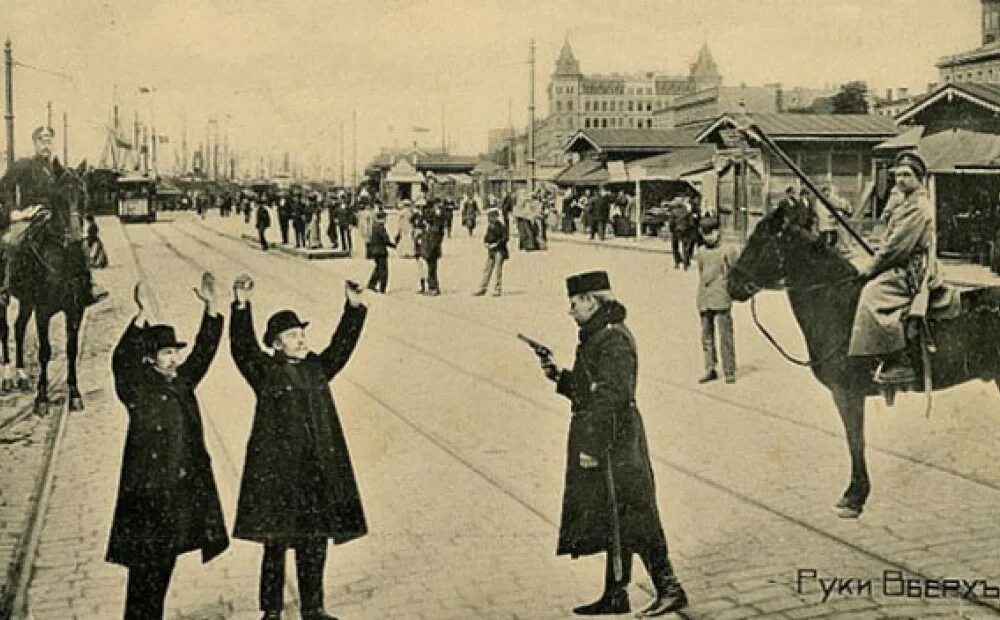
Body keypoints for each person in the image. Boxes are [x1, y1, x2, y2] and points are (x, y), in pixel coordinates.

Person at [537, 270, 688, 617]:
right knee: (614, 514)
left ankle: (670, 588)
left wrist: (592, 446)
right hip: (609, 436)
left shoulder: (612, 340)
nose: (570, 310)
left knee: (636, 511)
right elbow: (590, 388)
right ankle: (616, 594)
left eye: (573, 303)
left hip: (616, 440)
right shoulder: (595, 335)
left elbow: (612, 397)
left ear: (592, 300)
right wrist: (559, 376)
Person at [229, 274, 369, 620]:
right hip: (278, 475)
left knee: (314, 542)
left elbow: (342, 346)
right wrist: (241, 305)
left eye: (302, 334)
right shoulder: (265, 371)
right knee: (275, 544)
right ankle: (272, 611)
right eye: (293, 336)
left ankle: (313, 608)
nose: (301, 339)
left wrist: (352, 308)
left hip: (316, 474)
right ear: (276, 344)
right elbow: (242, 347)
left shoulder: (316, 367)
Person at [108, 274, 229, 620]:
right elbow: (120, 361)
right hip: (146, 497)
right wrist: (141, 316)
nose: (174, 358)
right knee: (145, 571)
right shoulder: (135, 387)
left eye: (176, 352)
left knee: (162, 569)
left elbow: (204, 353)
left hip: (176, 495)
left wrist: (211, 309)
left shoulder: (182, 382)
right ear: (149, 358)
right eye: (167, 353)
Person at [848, 151, 955, 384]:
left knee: (872, 295)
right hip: (901, 260)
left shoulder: (918, 207)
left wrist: (871, 268)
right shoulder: (904, 202)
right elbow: (887, 235)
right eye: (897, 176)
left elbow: (896, 247)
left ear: (919, 178)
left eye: (907, 175)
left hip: (913, 268)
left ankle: (898, 361)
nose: (900, 180)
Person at [0, 125, 108, 306]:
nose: (45, 144)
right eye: (41, 140)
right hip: (31, 215)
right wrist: (15, 212)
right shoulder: (23, 165)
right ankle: (5, 286)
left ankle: (88, 285)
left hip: (56, 216)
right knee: (12, 241)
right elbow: (4, 188)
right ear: (34, 143)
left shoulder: (58, 169)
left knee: (77, 241)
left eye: (49, 140)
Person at [693, 216, 740, 384]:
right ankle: (710, 368)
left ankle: (729, 370)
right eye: (705, 234)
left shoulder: (728, 250)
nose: (708, 237)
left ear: (718, 232)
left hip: (721, 297)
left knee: (725, 335)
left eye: (711, 233)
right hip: (704, 298)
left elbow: (734, 272)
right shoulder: (701, 251)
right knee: (706, 336)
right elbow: (701, 272)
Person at [472, 207, 508, 297]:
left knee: (498, 270)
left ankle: (497, 288)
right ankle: (483, 287)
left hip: (499, 250)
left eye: (491, 216)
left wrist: (496, 244)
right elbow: (486, 236)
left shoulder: (501, 226)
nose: (490, 218)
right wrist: (486, 243)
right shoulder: (490, 226)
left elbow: (505, 238)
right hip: (491, 251)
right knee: (487, 269)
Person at [366, 211, 399, 294]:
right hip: (381, 251)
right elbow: (385, 239)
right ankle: (382, 288)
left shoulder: (374, 227)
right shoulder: (381, 227)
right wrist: (393, 245)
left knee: (378, 268)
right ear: (383, 219)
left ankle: (371, 284)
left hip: (374, 251)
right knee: (383, 270)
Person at [421, 203, 444, 296]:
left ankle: (433, 288)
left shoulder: (433, 230)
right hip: (433, 252)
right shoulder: (435, 228)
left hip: (431, 252)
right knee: (432, 270)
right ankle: (434, 287)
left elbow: (433, 243)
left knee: (431, 271)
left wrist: (428, 252)